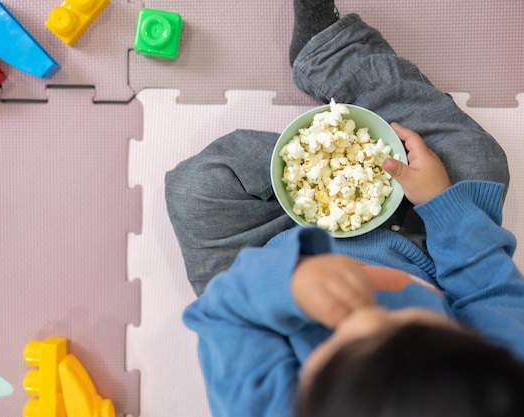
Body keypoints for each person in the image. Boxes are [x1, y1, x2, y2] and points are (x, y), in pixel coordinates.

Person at [165, 1, 524, 416]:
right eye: (402, 322)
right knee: (478, 160)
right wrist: (441, 203)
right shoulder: (498, 379)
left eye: (338, 343)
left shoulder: (259, 405)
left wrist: (287, 284)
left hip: (263, 256)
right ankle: (329, 51)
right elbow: (488, 288)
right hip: (420, 242)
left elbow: (221, 318)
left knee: (197, 188)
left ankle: (321, 92)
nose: (365, 311)